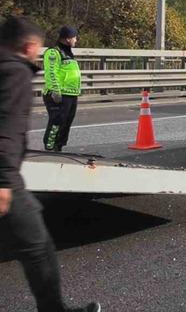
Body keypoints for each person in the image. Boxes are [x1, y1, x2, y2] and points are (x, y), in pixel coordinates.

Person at [0, 17, 101, 312]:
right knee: (38, 247)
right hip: (4, 176)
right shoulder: (15, 71)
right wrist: (5, 179)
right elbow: (7, 124)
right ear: (30, 46)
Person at [42, 26, 81, 152]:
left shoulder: (68, 53)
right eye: (74, 37)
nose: (76, 40)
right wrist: (55, 90)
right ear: (68, 38)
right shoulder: (53, 52)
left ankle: (59, 147)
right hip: (58, 94)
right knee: (57, 121)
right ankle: (50, 147)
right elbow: (51, 72)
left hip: (70, 94)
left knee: (66, 122)